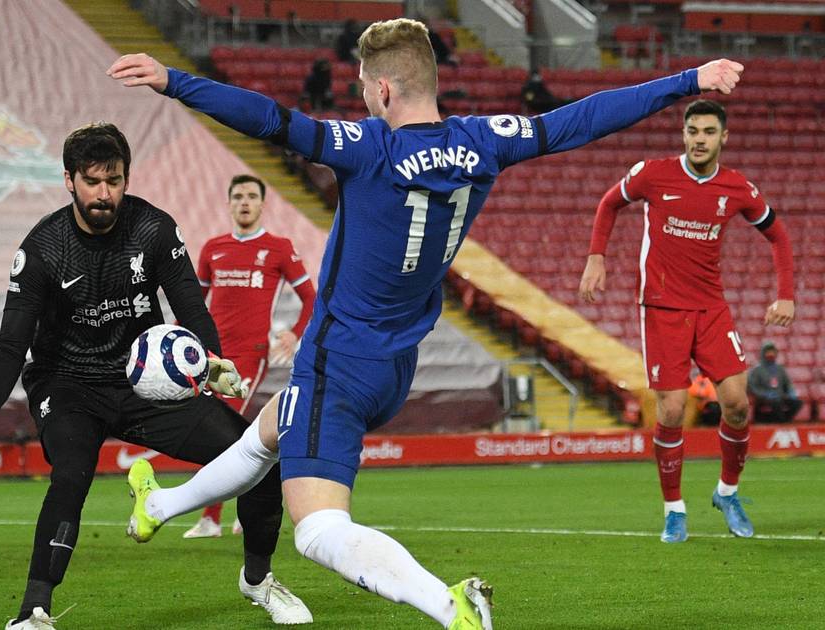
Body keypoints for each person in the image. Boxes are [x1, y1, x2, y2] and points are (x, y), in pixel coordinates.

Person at [109, 17, 743, 629]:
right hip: (397, 364)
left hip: (339, 359)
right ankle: (158, 504)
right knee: (272, 429)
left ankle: (450, 606)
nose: (363, 96)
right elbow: (584, 118)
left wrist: (175, 81)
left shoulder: (370, 147)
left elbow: (271, 120)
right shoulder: (485, 141)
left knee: (318, 530)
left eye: (364, 85)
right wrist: (687, 80)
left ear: (384, 88)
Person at [0, 122, 312, 629]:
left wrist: (212, 361)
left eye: (113, 181)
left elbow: (191, 307)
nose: (103, 193)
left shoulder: (153, 229)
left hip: (143, 380)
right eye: (91, 181)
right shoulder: (43, 247)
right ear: (69, 181)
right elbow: (11, 342)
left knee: (255, 455)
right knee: (71, 474)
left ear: (126, 179)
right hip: (67, 383)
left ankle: (258, 580)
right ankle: (34, 612)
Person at [578, 99, 795, 544]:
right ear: (683, 134)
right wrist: (596, 257)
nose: (699, 139)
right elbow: (608, 204)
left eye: (709, 132)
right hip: (662, 308)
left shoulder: (737, 188)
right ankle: (674, 510)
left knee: (737, 404)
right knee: (673, 409)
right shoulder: (652, 174)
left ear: (723, 137)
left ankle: (727, 493)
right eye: (693, 131)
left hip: (711, 308)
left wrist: (786, 295)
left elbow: (778, 236)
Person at [183, 174, 317, 539]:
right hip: (211, 354)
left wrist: (294, 332)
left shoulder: (278, 248)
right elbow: (194, 302)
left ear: (262, 204)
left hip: (250, 354)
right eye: (238, 196)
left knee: (220, 431)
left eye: (251, 196)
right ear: (229, 203)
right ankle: (252, 501)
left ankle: (212, 519)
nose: (244, 202)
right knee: (230, 433)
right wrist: (176, 336)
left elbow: (311, 297)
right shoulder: (213, 248)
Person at [747, 341, 803, 423]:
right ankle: (780, 422)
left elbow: (787, 384)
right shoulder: (756, 370)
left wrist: (791, 392)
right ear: (763, 353)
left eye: (772, 352)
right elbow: (753, 387)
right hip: (763, 398)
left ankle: (785, 421)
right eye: (768, 352)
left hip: (779, 396)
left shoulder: (780, 369)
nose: (771, 354)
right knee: (776, 403)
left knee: (797, 403)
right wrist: (765, 394)